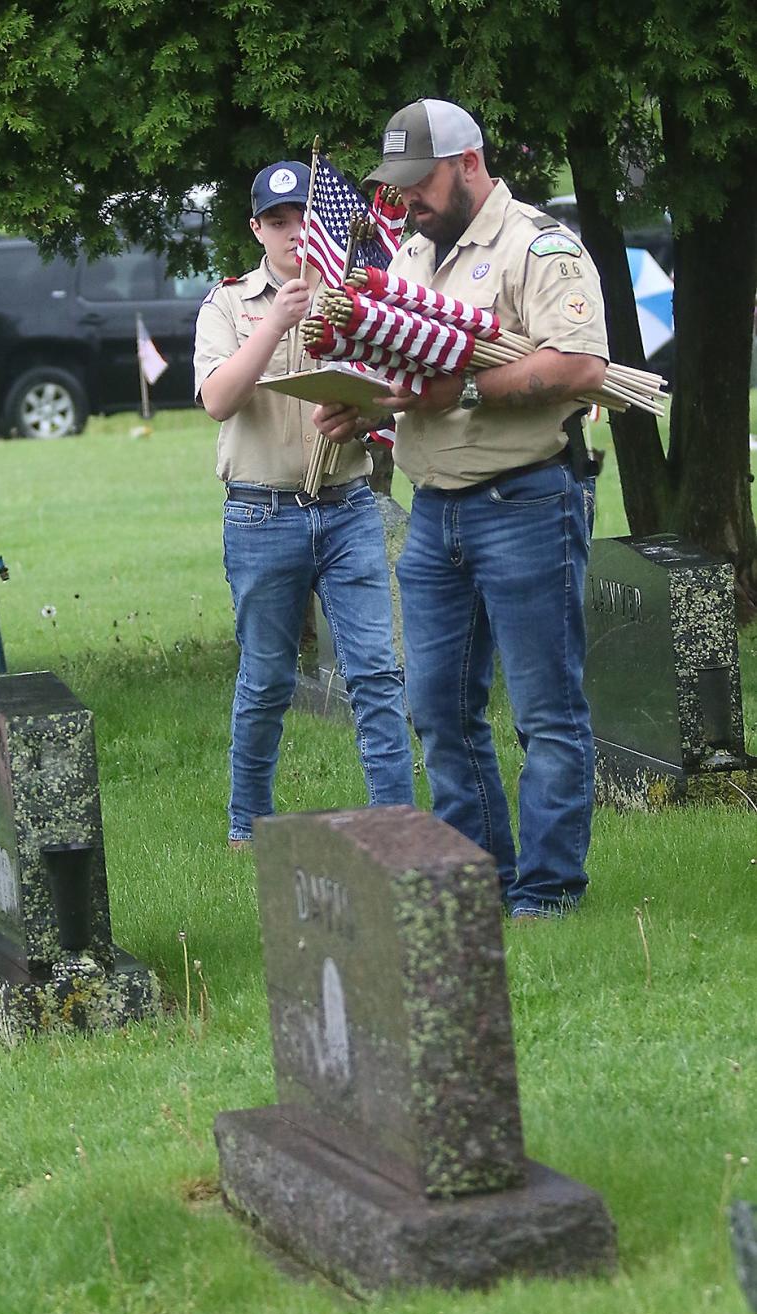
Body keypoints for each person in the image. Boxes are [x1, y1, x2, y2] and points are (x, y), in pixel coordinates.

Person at [315, 98, 608, 918]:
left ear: (469, 164)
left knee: (547, 710)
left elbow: (582, 366)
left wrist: (464, 386)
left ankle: (548, 892)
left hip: (525, 499)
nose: (407, 200)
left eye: (420, 182)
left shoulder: (538, 245)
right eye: (398, 185)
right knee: (438, 705)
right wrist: (368, 405)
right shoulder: (412, 251)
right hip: (434, 507)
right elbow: (414, 377)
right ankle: (483, 878)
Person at [194, 160, 415, 848]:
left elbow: (397, 393)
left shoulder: (356, 298)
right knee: (266, 677)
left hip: (348, 504)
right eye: (279, 223)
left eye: (304, 222)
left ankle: (397, 823)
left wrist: (362, 415)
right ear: (256, 228)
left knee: (377, 672)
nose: (294, 237)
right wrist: (276, 321)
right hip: (263, 513)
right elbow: (218, 400)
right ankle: (247, 825)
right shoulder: (229, 304)